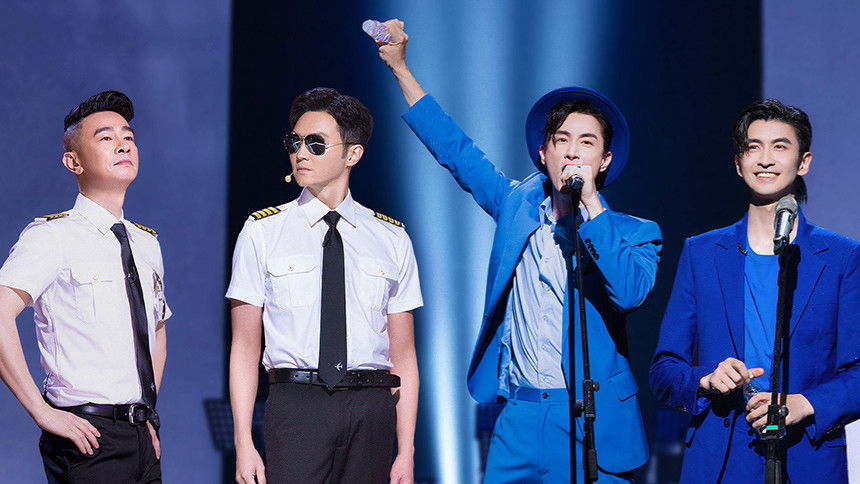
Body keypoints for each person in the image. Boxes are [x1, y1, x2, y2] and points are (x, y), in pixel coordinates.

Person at [375, 20, 662, 483]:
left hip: (590, 420)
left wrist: (592, 206)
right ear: (543, 153)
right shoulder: (515, 206)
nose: (572, 152)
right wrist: (400, 68)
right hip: (520, 416)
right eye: (562, 140)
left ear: (605, 160)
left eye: (587, 143)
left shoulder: (635, 233)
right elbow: (456, 151)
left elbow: (629, 294)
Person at [650, 99, 860, 482]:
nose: (765, 159)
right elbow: (664, 371)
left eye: (780, 146)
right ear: (738, 163)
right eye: (753, 147)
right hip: (721, 456)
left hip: (807, 458)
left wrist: (805, 403)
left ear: (804, 162)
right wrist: (705, 380)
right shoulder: (702, 253)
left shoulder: (842, 257)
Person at [227, 87, 423, 484]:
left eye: (315, 144)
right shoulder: (262, 231)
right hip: (298, 404)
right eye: (294, 142)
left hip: (372, 405)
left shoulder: (391, 237)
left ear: (353, 154)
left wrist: (406, 451)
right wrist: (243, 442)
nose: (301, 153)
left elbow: (403, 354)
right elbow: (245, 345)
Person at [0, 90, 168, 483]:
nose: (123, 145)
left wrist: (147, 411)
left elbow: (156, 330)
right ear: (73, 162)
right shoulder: (52, 236)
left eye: (128, 137)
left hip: (141, 435)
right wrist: (41, 411)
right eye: (106, 137)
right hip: (86, 436)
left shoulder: (146, 242)